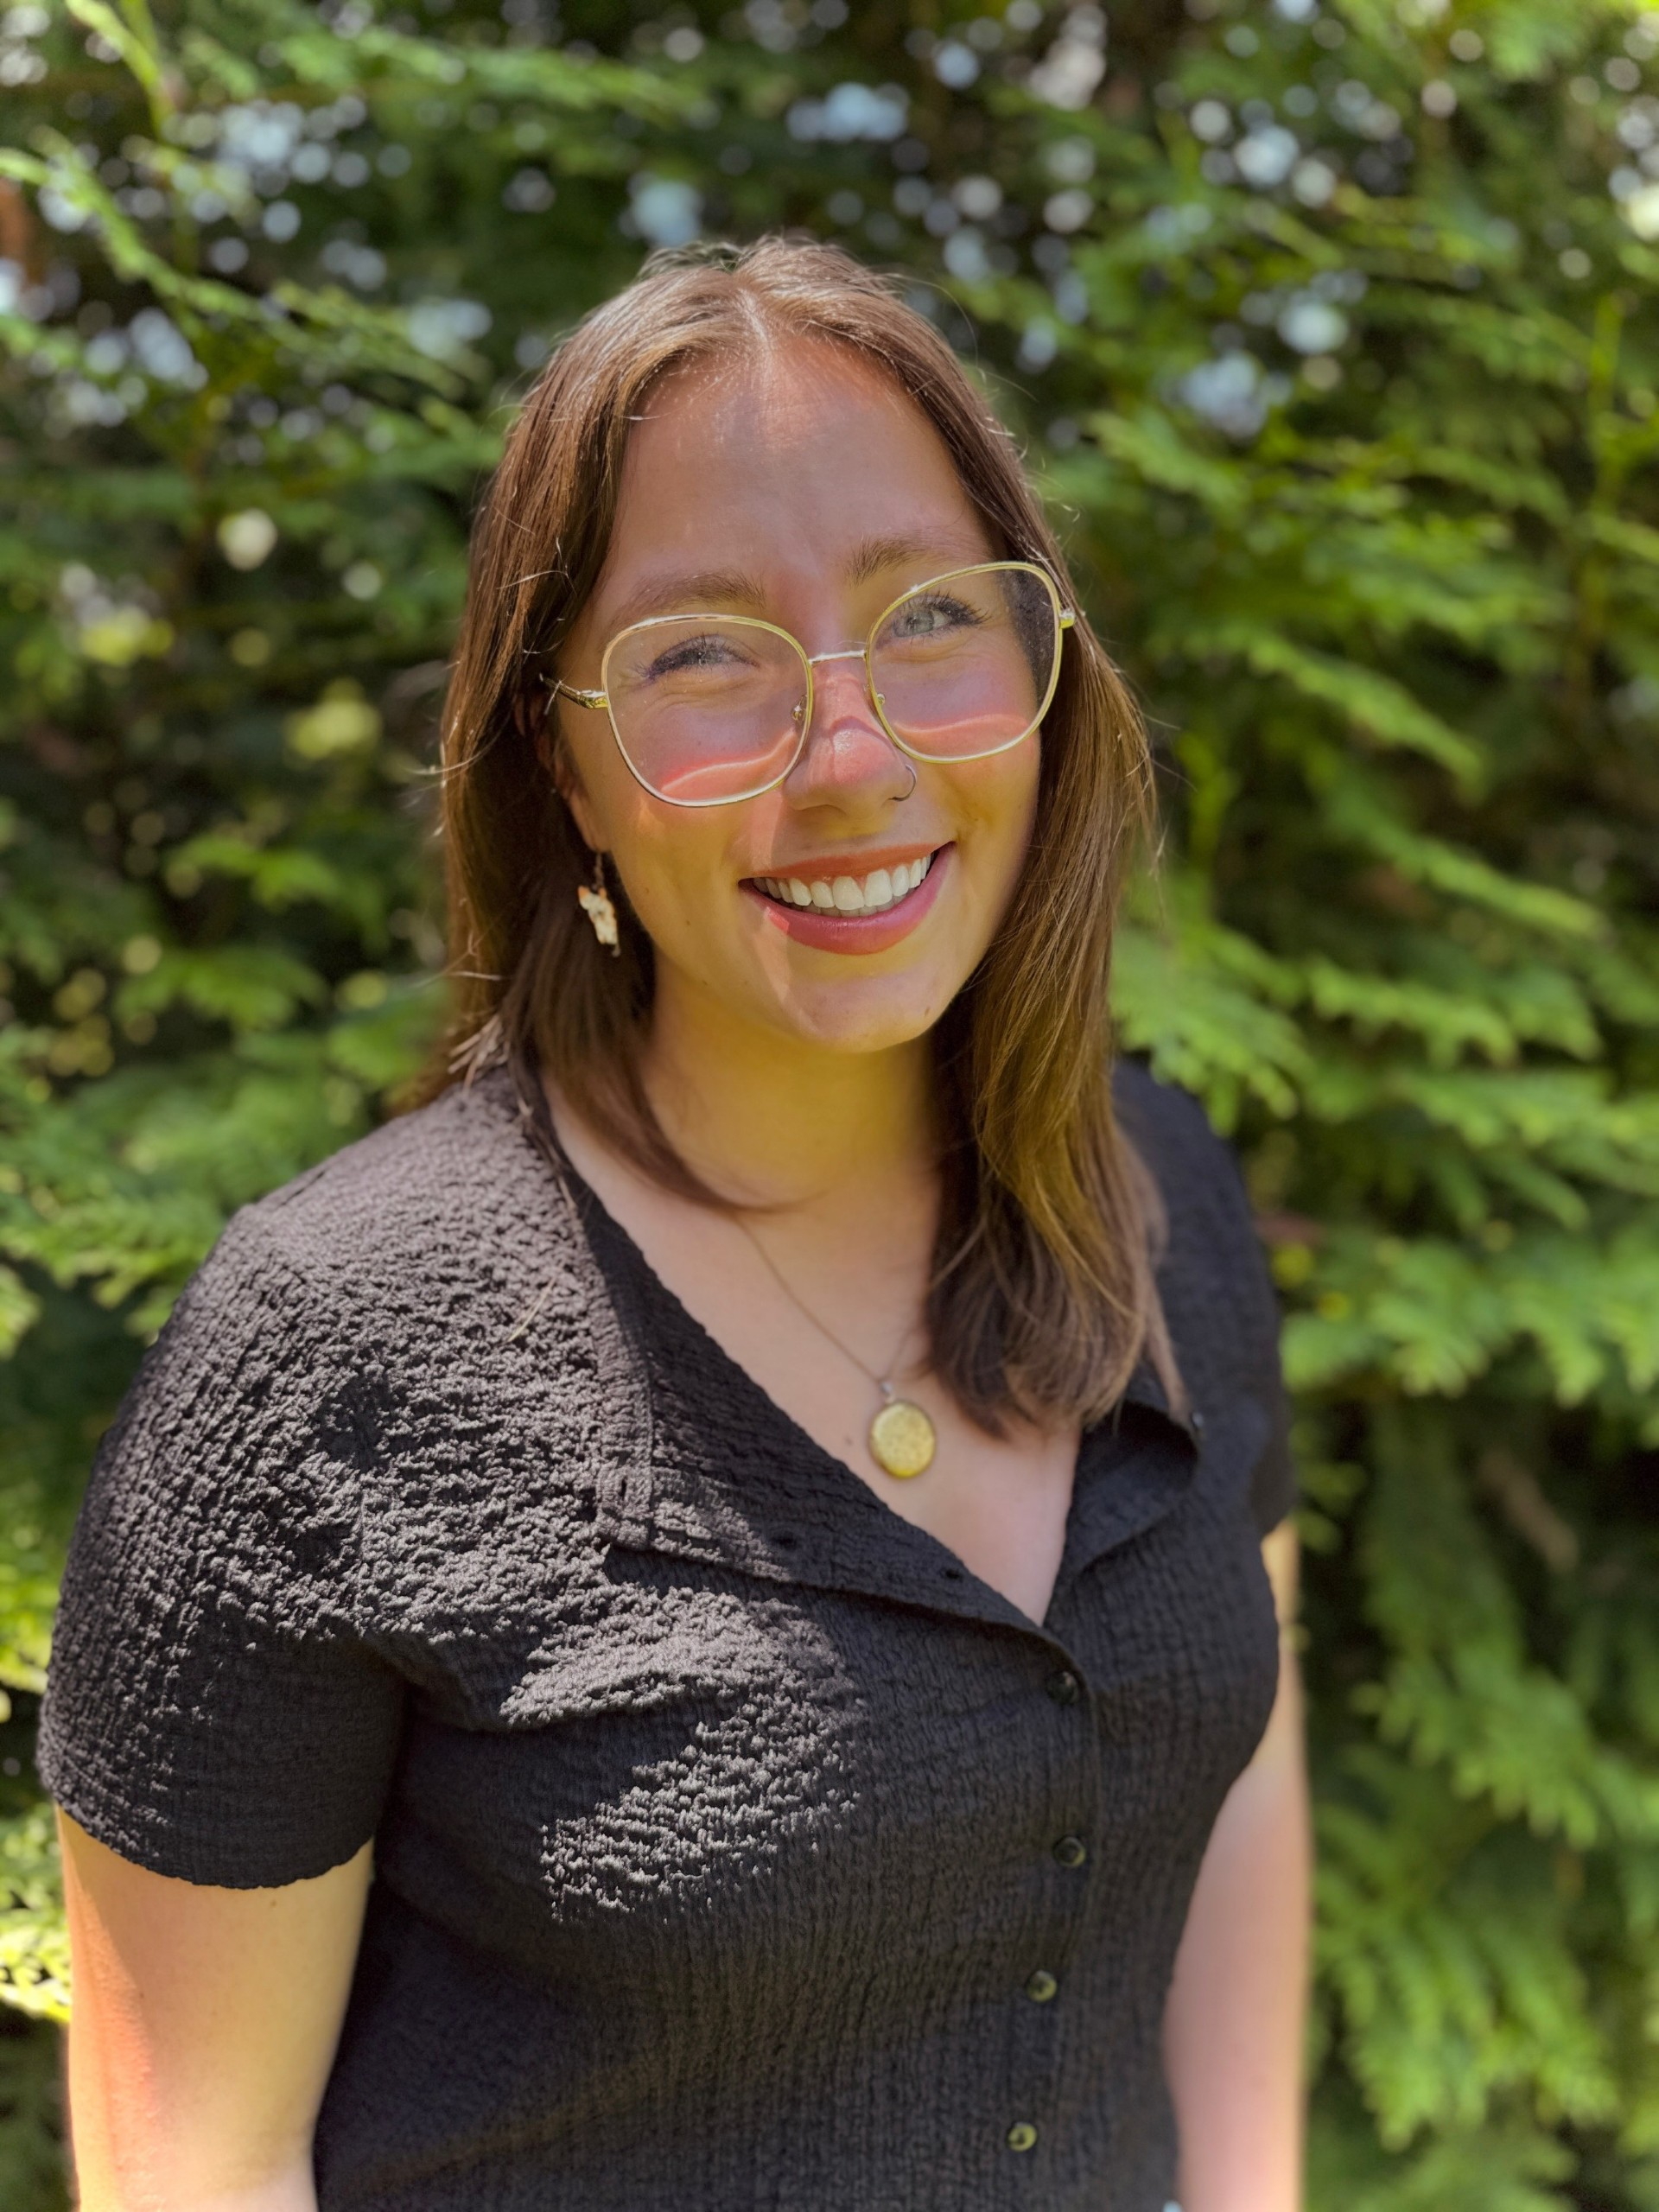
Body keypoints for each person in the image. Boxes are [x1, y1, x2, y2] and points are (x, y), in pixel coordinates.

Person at [40, 237, 1311, 2212]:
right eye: (705, 657)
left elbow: (1241, 1801)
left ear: (1044, 666)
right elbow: (198, 2164)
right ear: (564, 764)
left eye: (929, 615)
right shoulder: (326, 1359)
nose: (852, 758)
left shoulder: (1162, 1204)